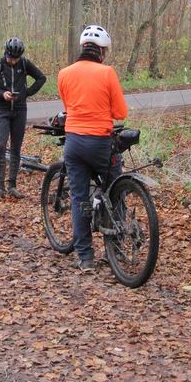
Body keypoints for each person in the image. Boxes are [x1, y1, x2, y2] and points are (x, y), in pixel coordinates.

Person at [57, 25, 128, 272]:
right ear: (102, 51)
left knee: (78, 199)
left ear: (82, 47)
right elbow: (120, 113)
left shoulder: (64, 73)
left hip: (74, 143)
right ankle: (116, 249)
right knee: (116, 190)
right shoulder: (107, 73)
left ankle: (85, 258)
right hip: (100, 143)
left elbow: (68, 105)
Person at [0, 37, 46, 200]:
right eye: (11, 58)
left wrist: (27, 93)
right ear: (6, 53)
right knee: (1, 146)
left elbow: (41, 78)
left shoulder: (24, 64)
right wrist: (1, 94)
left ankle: (12, 185)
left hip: (19, 110)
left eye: (16, 58)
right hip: (2, 111)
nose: (13, 61)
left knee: (16, 148)